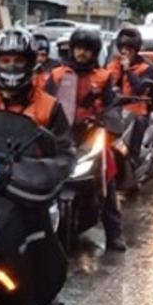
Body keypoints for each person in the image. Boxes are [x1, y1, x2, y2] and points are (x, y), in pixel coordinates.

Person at [53, 28, 127, 252]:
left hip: (91, 134)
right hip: (60, 134)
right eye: (78, 48)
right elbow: (43, 100)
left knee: (107, 177)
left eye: (87, 49)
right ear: (72, 50)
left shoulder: (103, 77)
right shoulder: (57, 75)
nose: (82, 53)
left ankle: (114, 233)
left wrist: (111, 123)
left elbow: (112, 105)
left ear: (94, 53)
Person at [0, 28, 75, 159]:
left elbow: (65, 156)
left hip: (31, 171)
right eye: (5, 61)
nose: (12, 66)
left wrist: (27, 168)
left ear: (30, 63)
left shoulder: (50, 107)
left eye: (19, 61)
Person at [107, 26, 153, 167]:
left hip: (138, 108)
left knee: (140, 122)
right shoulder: (113, 65)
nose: (124, 52)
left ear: (135, 50)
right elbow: (106, 83)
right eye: (122, 48)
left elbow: (139, 89)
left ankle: (134, 157)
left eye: (128, 49)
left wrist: (128, 70)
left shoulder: (146, 68)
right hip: (116, 108)